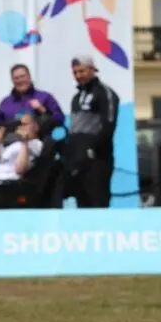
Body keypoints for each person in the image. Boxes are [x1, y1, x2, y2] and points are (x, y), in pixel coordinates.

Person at [64, 55, 119, 208]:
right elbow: (76, 128)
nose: (78, 76)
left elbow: (109, 125)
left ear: (92, 69)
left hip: (97, 159)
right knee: (81, 202)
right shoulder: (76, 97)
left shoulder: (105, 93)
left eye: (82, 71)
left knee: (98, 201)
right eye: (75, 72)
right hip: (77, 160)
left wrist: (93, 149)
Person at [0, 63, 65, 131]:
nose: (20, 80)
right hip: (11, 142)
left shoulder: (45, 97)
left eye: (23, 76)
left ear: (29, 77)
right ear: (12, 80)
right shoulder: (5, 103)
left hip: (40, 142)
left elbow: (60, 119)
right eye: (16, 78)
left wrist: (43, 110)